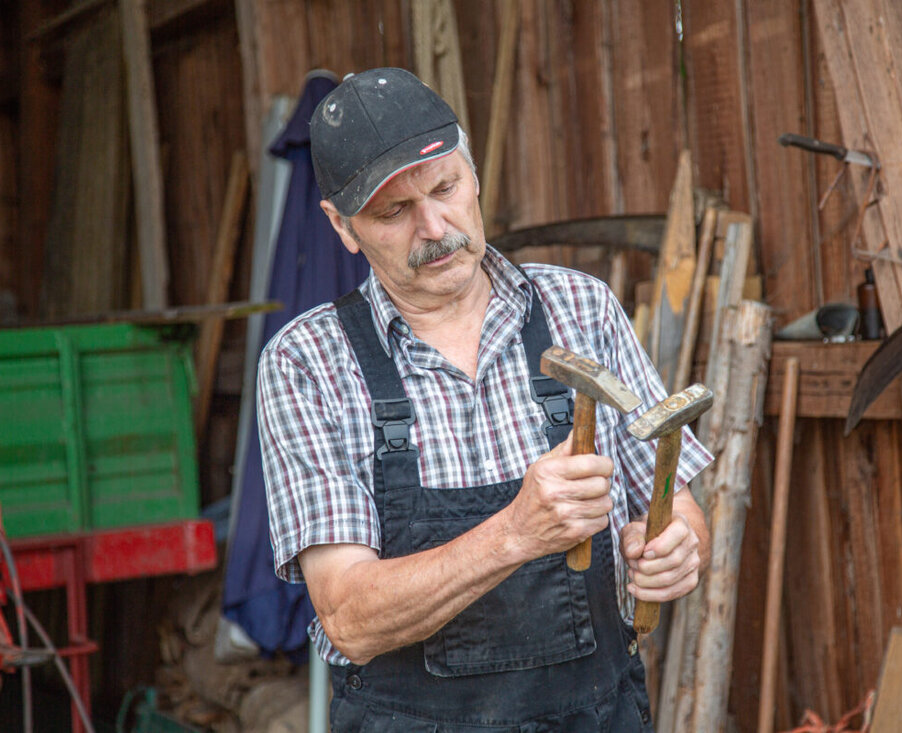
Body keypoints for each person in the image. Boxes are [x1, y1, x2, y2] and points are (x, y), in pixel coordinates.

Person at [258, 67, 713, 732]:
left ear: (473, 174)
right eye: (393, 211)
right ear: (343, 226)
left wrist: (677, 546)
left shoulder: (579, 308)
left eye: (445, 187)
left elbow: (680, 511)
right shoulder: (308, 364)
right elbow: (349, 616)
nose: (435, 225)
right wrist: (515, 533)